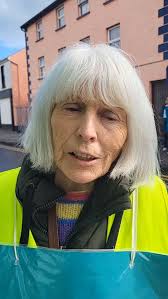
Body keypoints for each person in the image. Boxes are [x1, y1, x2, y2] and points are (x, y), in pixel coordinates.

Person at [0, 43, 167, 256]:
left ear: (131, 132)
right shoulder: (2, 192)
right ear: (47, 118)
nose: (87, 132)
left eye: (109, 116)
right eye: (72, 108)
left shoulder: (157, 198)